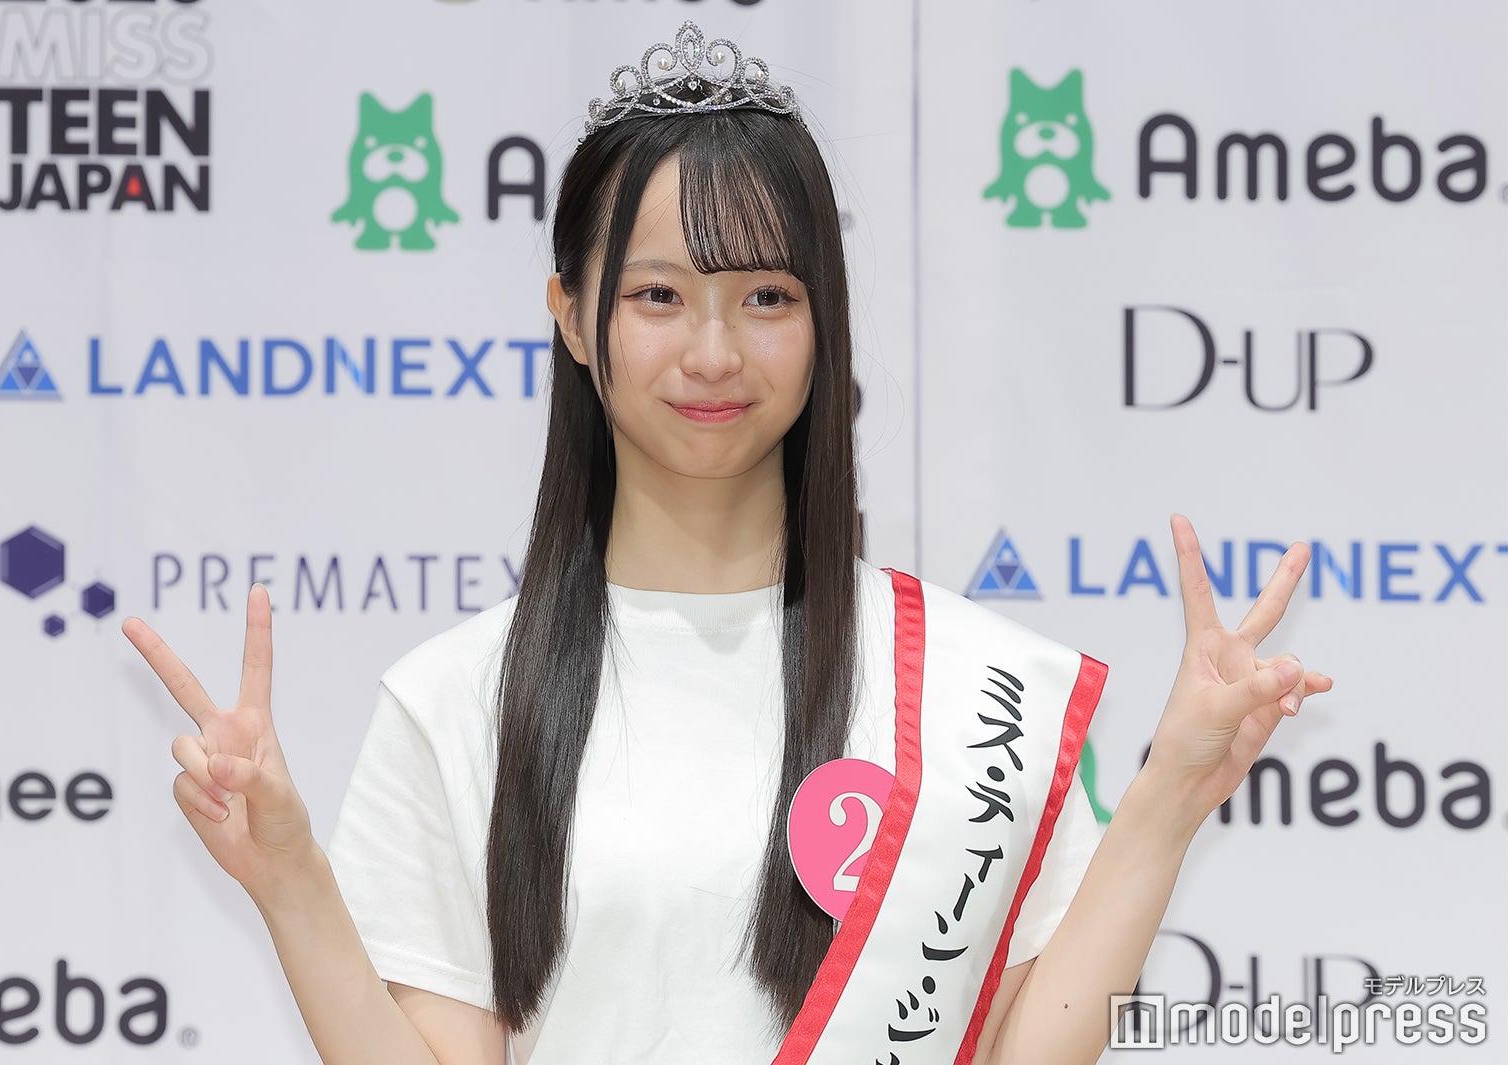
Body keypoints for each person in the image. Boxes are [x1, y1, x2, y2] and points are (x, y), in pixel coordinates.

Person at [121, 21, 1331, 1065]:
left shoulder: (975, 687)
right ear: (571, 317)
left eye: (765, 297)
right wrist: (291, 881)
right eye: (657, 296)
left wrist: (1169, 796)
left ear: (822, 319)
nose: (713, 353)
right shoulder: (454, 701)